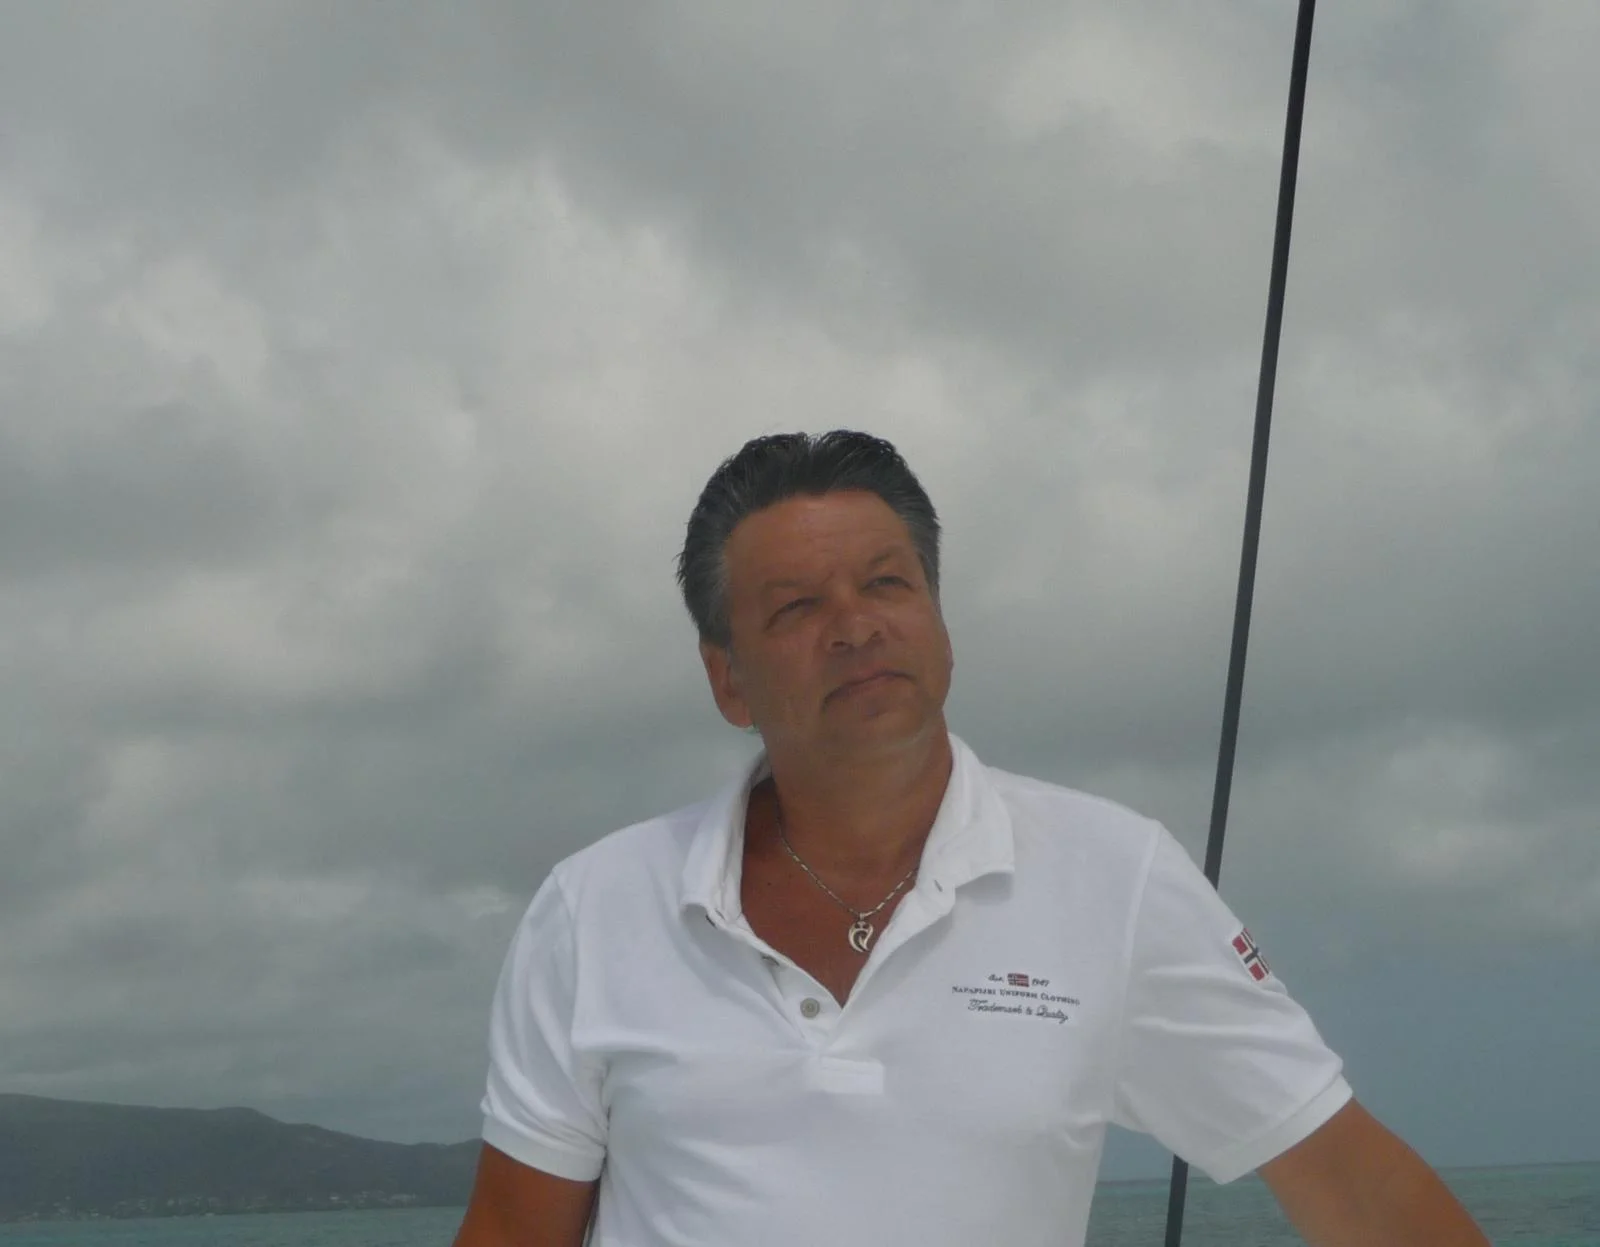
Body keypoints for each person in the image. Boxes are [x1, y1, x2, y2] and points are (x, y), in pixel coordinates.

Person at [453, 431, 1489, 1247]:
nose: (855, 625)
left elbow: (1351, 1183)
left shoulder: (1114, 875)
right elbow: (510, 1230)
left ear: (940, 620)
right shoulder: (594, 908)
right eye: (798, 606)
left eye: (887, 583)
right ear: (728, 679)